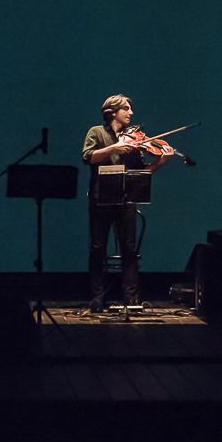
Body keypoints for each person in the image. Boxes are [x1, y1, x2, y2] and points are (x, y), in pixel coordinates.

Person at [82, 95, 173, 311]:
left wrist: (161, 161)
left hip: (126, 199)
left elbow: (141, 172)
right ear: (113, 112)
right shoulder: (96, 132)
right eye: (126, 109)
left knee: (129, 250)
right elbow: (88, 157)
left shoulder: (134, 140)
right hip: (100, 199)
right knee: (97, 249)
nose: (131, 113)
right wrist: (114, 147)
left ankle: (132, 300)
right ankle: (97, 299)